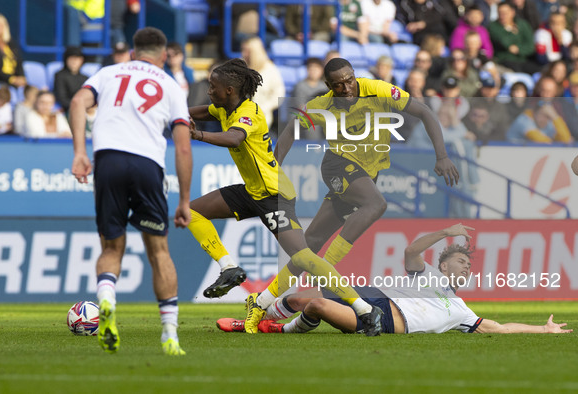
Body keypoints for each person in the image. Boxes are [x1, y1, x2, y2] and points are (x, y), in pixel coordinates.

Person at [186, 58, 384, 336]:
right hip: (251, 191)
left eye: (212, 86)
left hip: (273, 194)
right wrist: (171, 114)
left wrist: (198, 134)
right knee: (190, 212)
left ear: (230, 90)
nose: (209, 90)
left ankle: (363, 308)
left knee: (303, 257)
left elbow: (234, 139)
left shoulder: (249, 113)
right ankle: (229, 268)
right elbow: (193, 112)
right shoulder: (223, 108)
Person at [266, 57, 459, 331]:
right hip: (338, 166)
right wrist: (272, 170)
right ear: (328, 86)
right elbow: (289, 133)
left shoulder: (378, 90)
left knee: (311, 241)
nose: (346, 88)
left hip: (364, 174)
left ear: (354, 75)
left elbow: (425, 111)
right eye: (338, 85)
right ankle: (326, 272)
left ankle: (267, 303)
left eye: (349, 80)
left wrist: (441, 156)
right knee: (376, 204)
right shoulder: (321, 105)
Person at [69, 27, 192, 356]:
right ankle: (169, 336)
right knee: (159, 252)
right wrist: (183, 200)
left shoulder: (108, 72)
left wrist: (80, 151)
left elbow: (78, 101)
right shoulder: (170, 85)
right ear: (164, 56)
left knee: (111, 247)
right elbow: (182, 149)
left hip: (107, 159)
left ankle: (106, 299)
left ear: (134, 52)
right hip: (147, 165)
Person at [217, 224, 573, 336]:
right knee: (299, 296)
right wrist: (445, 232)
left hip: (388, 321)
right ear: (445, 264)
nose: (466, 268)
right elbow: (411, 251)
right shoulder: (429, 274)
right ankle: (254, 319)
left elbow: (495, 327)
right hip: (375, 296)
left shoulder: (462, 309)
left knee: (316, 305)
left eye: (468, 265)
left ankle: (279, 330)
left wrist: (542, 330)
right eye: (460, 261)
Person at [241, 37, 285, 130]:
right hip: (239, 116)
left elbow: (279, 94)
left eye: (246, 51)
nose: (243, 54)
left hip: (261, 118)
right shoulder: (240, 67)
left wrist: (263, 108)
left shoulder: (270, 70)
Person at [0, 13, 26, 88]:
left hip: (14, 80)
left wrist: (22, 77)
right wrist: (11, 79)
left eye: (0, 25)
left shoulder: (11, 43)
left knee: (33, 91)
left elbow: (19, 62)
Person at [506, 102, 572, 144]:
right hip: (509, 154)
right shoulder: (524, 119)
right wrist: (554, 142)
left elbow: (566, 139)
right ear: (534, 113)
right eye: (541, 115)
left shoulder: (548, 122)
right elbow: (541, 141)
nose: (543, 119)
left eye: (547, 116)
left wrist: (555, 117)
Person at [54, 46, 88, 112]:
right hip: (68, 110)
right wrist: (79, 106)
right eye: (71, 59)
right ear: (66, 60)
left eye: (77, 59)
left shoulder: (85, 78)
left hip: (84, 109)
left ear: (82, 60)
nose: (74, 62)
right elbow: (61, 98)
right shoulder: (59, 76)